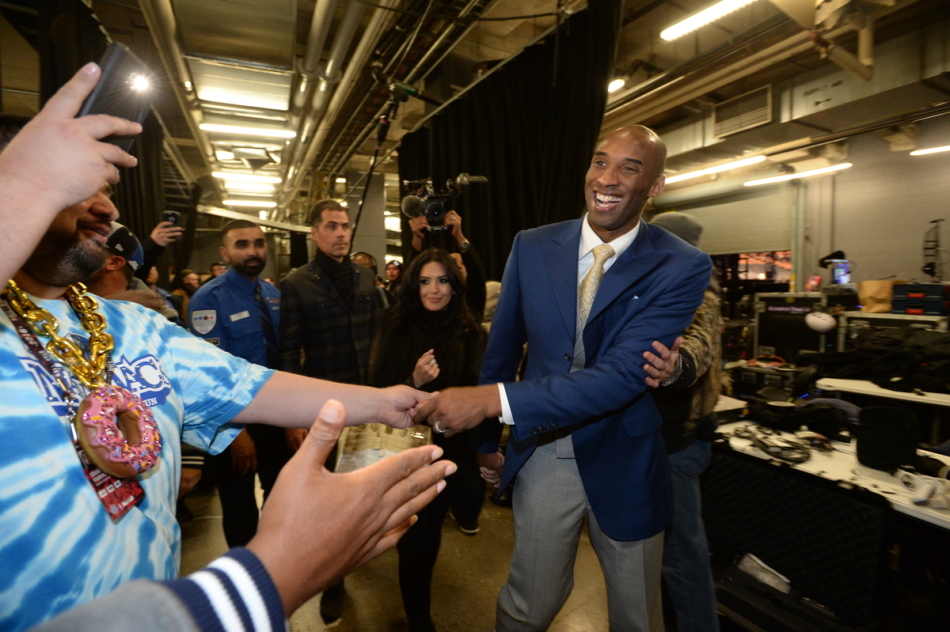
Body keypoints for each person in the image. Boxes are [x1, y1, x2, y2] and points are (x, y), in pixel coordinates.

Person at [0, 65, 446, 632]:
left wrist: (384, 403)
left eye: (107, 194)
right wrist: (284, 566)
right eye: (75, 188)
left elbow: (251, 383)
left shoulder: (138, 326)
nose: (109, 211)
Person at [416, 125, 712, 631]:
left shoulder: (681, 265)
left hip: (627, 456)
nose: (608, 179)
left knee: (637, 615)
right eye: (600, 162)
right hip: (545, 451)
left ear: (655, 186)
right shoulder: (532, 246)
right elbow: (502, 349)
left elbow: (621, 376)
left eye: (629, 168)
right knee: (527, 606)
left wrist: (489, 403)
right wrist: (487, 443)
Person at [339, 248, 486, 632]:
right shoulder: (396, 326)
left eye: (442, 280)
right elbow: (377, 393)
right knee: (416, 542)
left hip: (453, 451)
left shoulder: (471, 331)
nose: (434, 289)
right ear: (412, 286)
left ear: (454, 286)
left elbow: (482, 394)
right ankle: (419, 620)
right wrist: (413, 380)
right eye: (424, 281)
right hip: (406, 453)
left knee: (436, 531)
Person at [277, 198, 380, 626]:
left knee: (367, 486)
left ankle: (364, 546)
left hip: (369, 403)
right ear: (315, 233)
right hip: (326, 408)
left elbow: (380, 335)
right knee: (331, 499)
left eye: (345, 226)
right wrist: (294, 416)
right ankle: (333, 581)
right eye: (332, 226)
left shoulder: (365, 276)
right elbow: (288, 353)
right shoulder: (297, 283)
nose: (341, 233)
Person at [187, 219, 288, 548]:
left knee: (280, 501)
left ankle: (275, 566)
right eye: (242, 245)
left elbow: (283, 359)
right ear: (225, 252)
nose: (253, 251)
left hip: (275, 416)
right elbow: (208, 373)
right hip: (233, 422)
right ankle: (244, 573)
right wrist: (236, 432)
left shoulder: (273, 295)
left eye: (258, 243)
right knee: (240, 510)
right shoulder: (208, 299)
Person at [647, 212, 722, 632]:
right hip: (659, 440)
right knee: (660, 556)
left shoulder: (700, 295)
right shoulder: (659, 289)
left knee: (681, 557)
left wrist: (675, 368)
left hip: (679, 443)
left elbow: (696, 347)